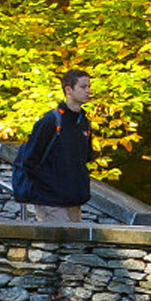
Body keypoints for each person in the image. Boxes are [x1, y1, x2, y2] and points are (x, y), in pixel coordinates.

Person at [12, 69, 95, 222]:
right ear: (68, 90)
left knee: (74, 245)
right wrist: (53, 185)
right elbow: (30, 161)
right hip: (50, 201)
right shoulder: (51, 121)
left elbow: (85, 158)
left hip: (73, 200)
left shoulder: (84, 123)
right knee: (58, 244)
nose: (88, 91)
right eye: (83, 87)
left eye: (89, 86)